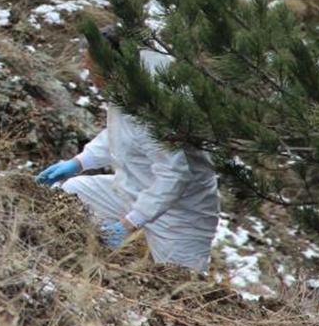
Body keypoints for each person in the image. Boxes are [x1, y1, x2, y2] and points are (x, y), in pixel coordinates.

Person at [35, 27, 219, 271]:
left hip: (181, 213)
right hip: (137, 187)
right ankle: (81, 265)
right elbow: (121, 135)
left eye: (91, 63)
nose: (85, 67)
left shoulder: (155, 106)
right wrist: (79, 163)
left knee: (183, 284)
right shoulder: (125, 87)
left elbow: (175, 175)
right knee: (74, 193)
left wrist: (128, 223)